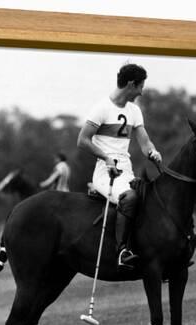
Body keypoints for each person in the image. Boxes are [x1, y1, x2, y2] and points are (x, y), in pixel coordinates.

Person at [77, 63, 162, 270]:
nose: (142, 91)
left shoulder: (134, 111)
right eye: (141, 86)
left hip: (126, 172)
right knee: (130, 198)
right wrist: (105, 157)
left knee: (153, 198)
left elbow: (144, 142)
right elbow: (82, 140)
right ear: (132, 84)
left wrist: (152, 151)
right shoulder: (101, 108)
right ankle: (121, 251)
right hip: (105, 173)